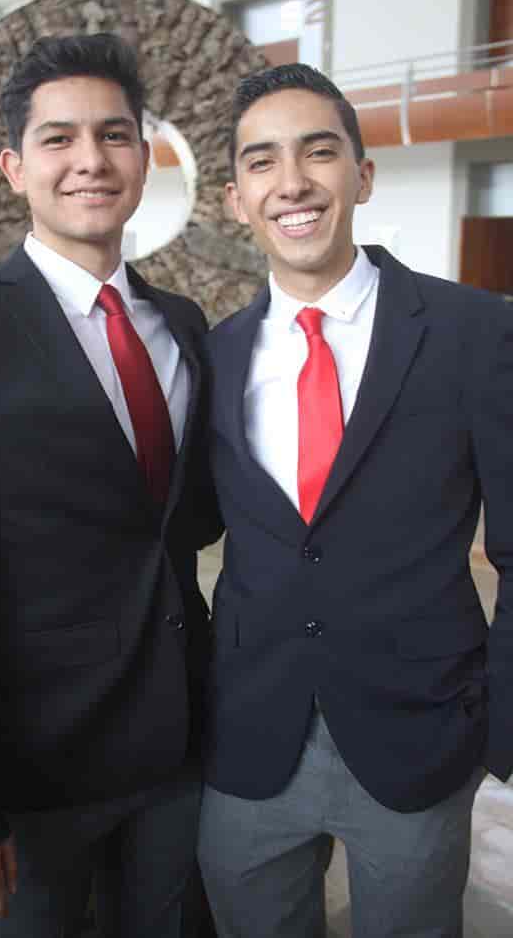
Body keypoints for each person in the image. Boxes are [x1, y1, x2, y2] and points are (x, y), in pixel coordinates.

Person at [0, 33, 219, 938]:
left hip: (183, 748)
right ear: (15, 168)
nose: (89, 160)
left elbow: (185, 524)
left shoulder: (184, 327)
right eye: (58, 139)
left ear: (144, 157)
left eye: (114, 135)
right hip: (34, 775)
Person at [197, 63, 513, 938]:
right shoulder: (214, 355)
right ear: (235, 199)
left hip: (420, 737)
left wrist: (501, 723)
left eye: (319, 152)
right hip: (250, 736)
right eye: (262, 161)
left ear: (362, 176)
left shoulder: (475, 332)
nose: (292, 182)